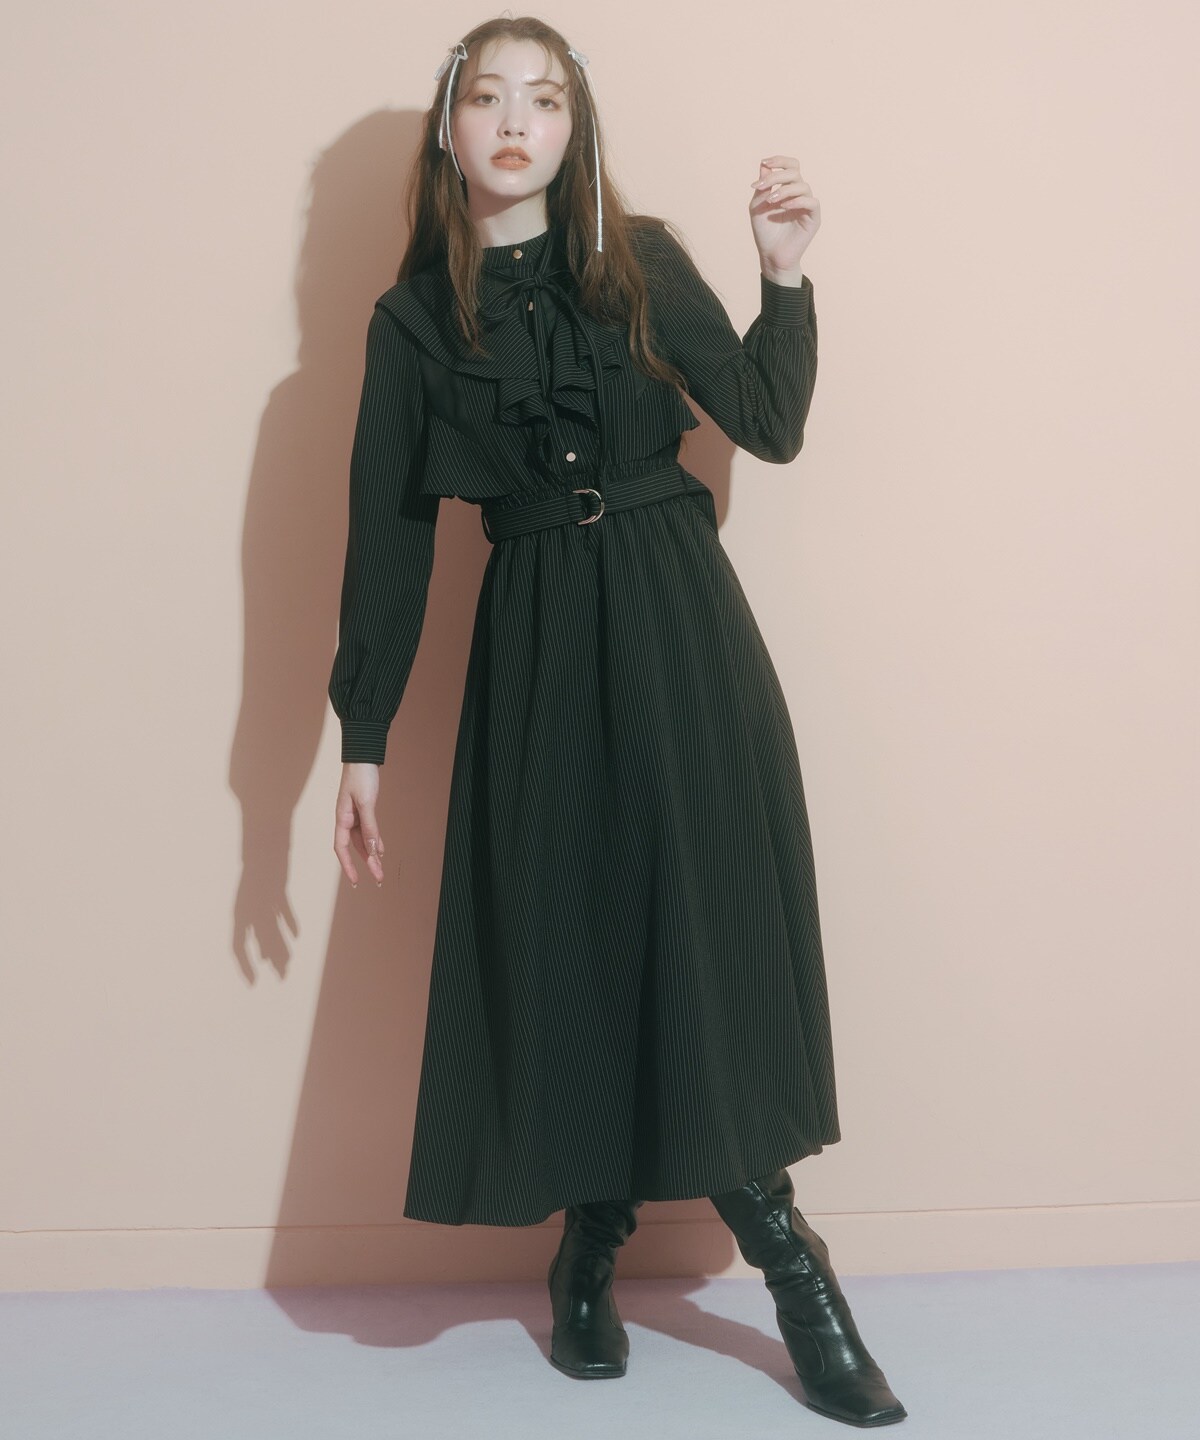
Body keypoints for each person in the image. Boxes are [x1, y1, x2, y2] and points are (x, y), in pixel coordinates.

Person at [327, 14, 907, 1428]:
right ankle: (587, 1247)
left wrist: (783, 276)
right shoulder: (414, 323)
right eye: (487, 98)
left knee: (699, 933)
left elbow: (766, 421)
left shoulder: (637, 260)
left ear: (573, 127)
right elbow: (388, 544)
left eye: (543, 100)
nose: (514, 122)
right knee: (569, 941)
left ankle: (796, 1275)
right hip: (534, 636)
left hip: (677, 623)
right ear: (451, 129)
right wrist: (361, 738)